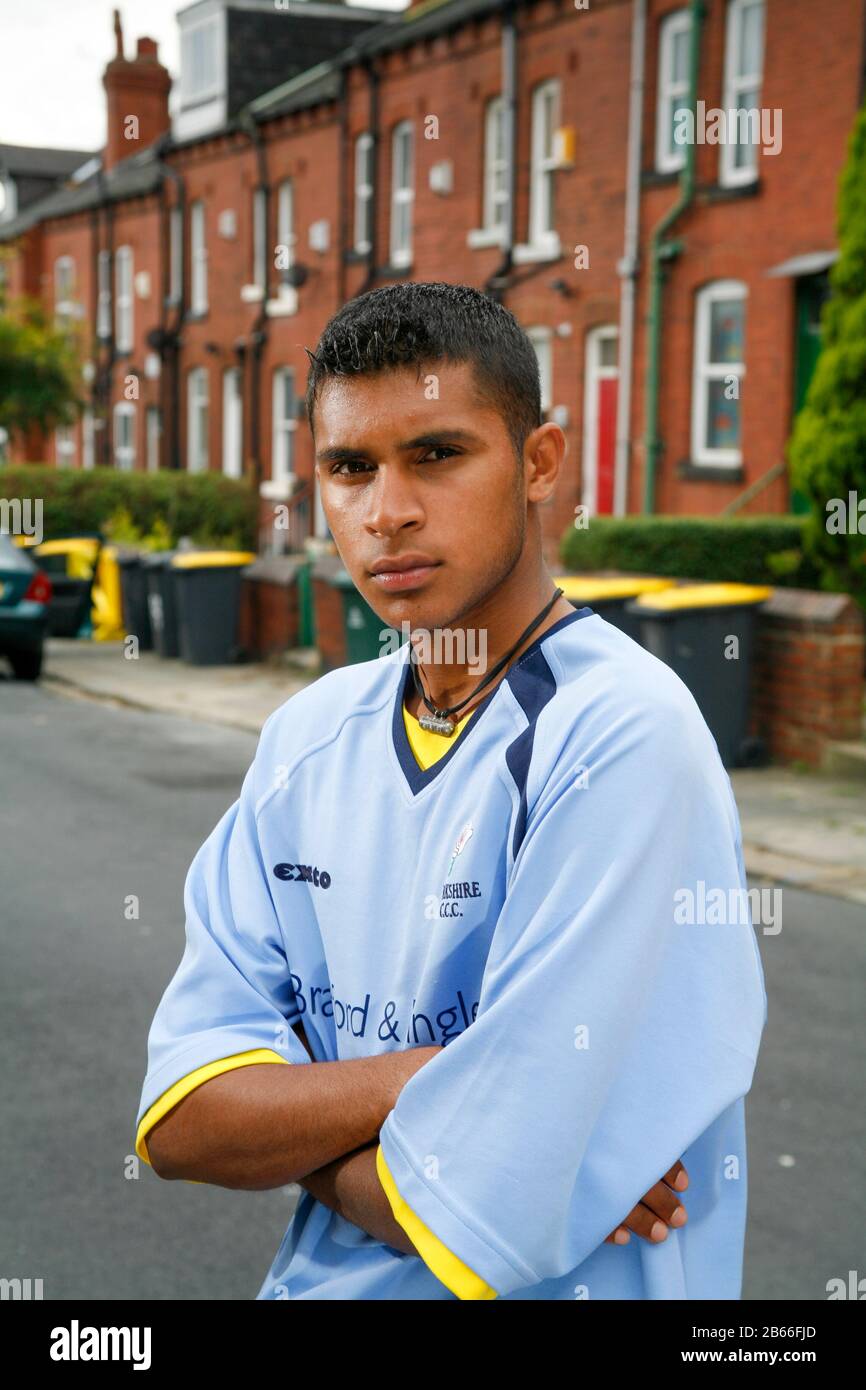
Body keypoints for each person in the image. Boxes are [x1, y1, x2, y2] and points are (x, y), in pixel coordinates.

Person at [134, 282, 767, 1300]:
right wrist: (433, 1078)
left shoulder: (620, 737)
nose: (386, 511)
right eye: (349, 467)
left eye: (435, 454)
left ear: (538, 464)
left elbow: (488, 1193)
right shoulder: (305, 739)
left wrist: (298, 1115)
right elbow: (184, 1123)